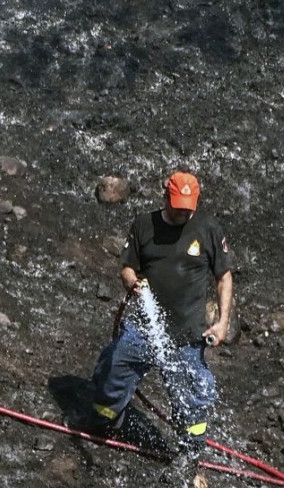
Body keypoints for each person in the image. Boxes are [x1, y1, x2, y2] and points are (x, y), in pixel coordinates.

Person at [83, 170, 233, 457]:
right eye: (176, 208)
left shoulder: (208, 229)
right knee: (112, 371)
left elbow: (224, 276)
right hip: (143, 328)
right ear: (165, 196)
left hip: (187, 335)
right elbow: (127, 266)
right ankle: (104, 423)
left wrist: (223, 321)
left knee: (193, 396)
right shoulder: (144, 225)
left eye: (187, 210)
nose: (181, 215)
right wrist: (131, 281)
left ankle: (190, 453)